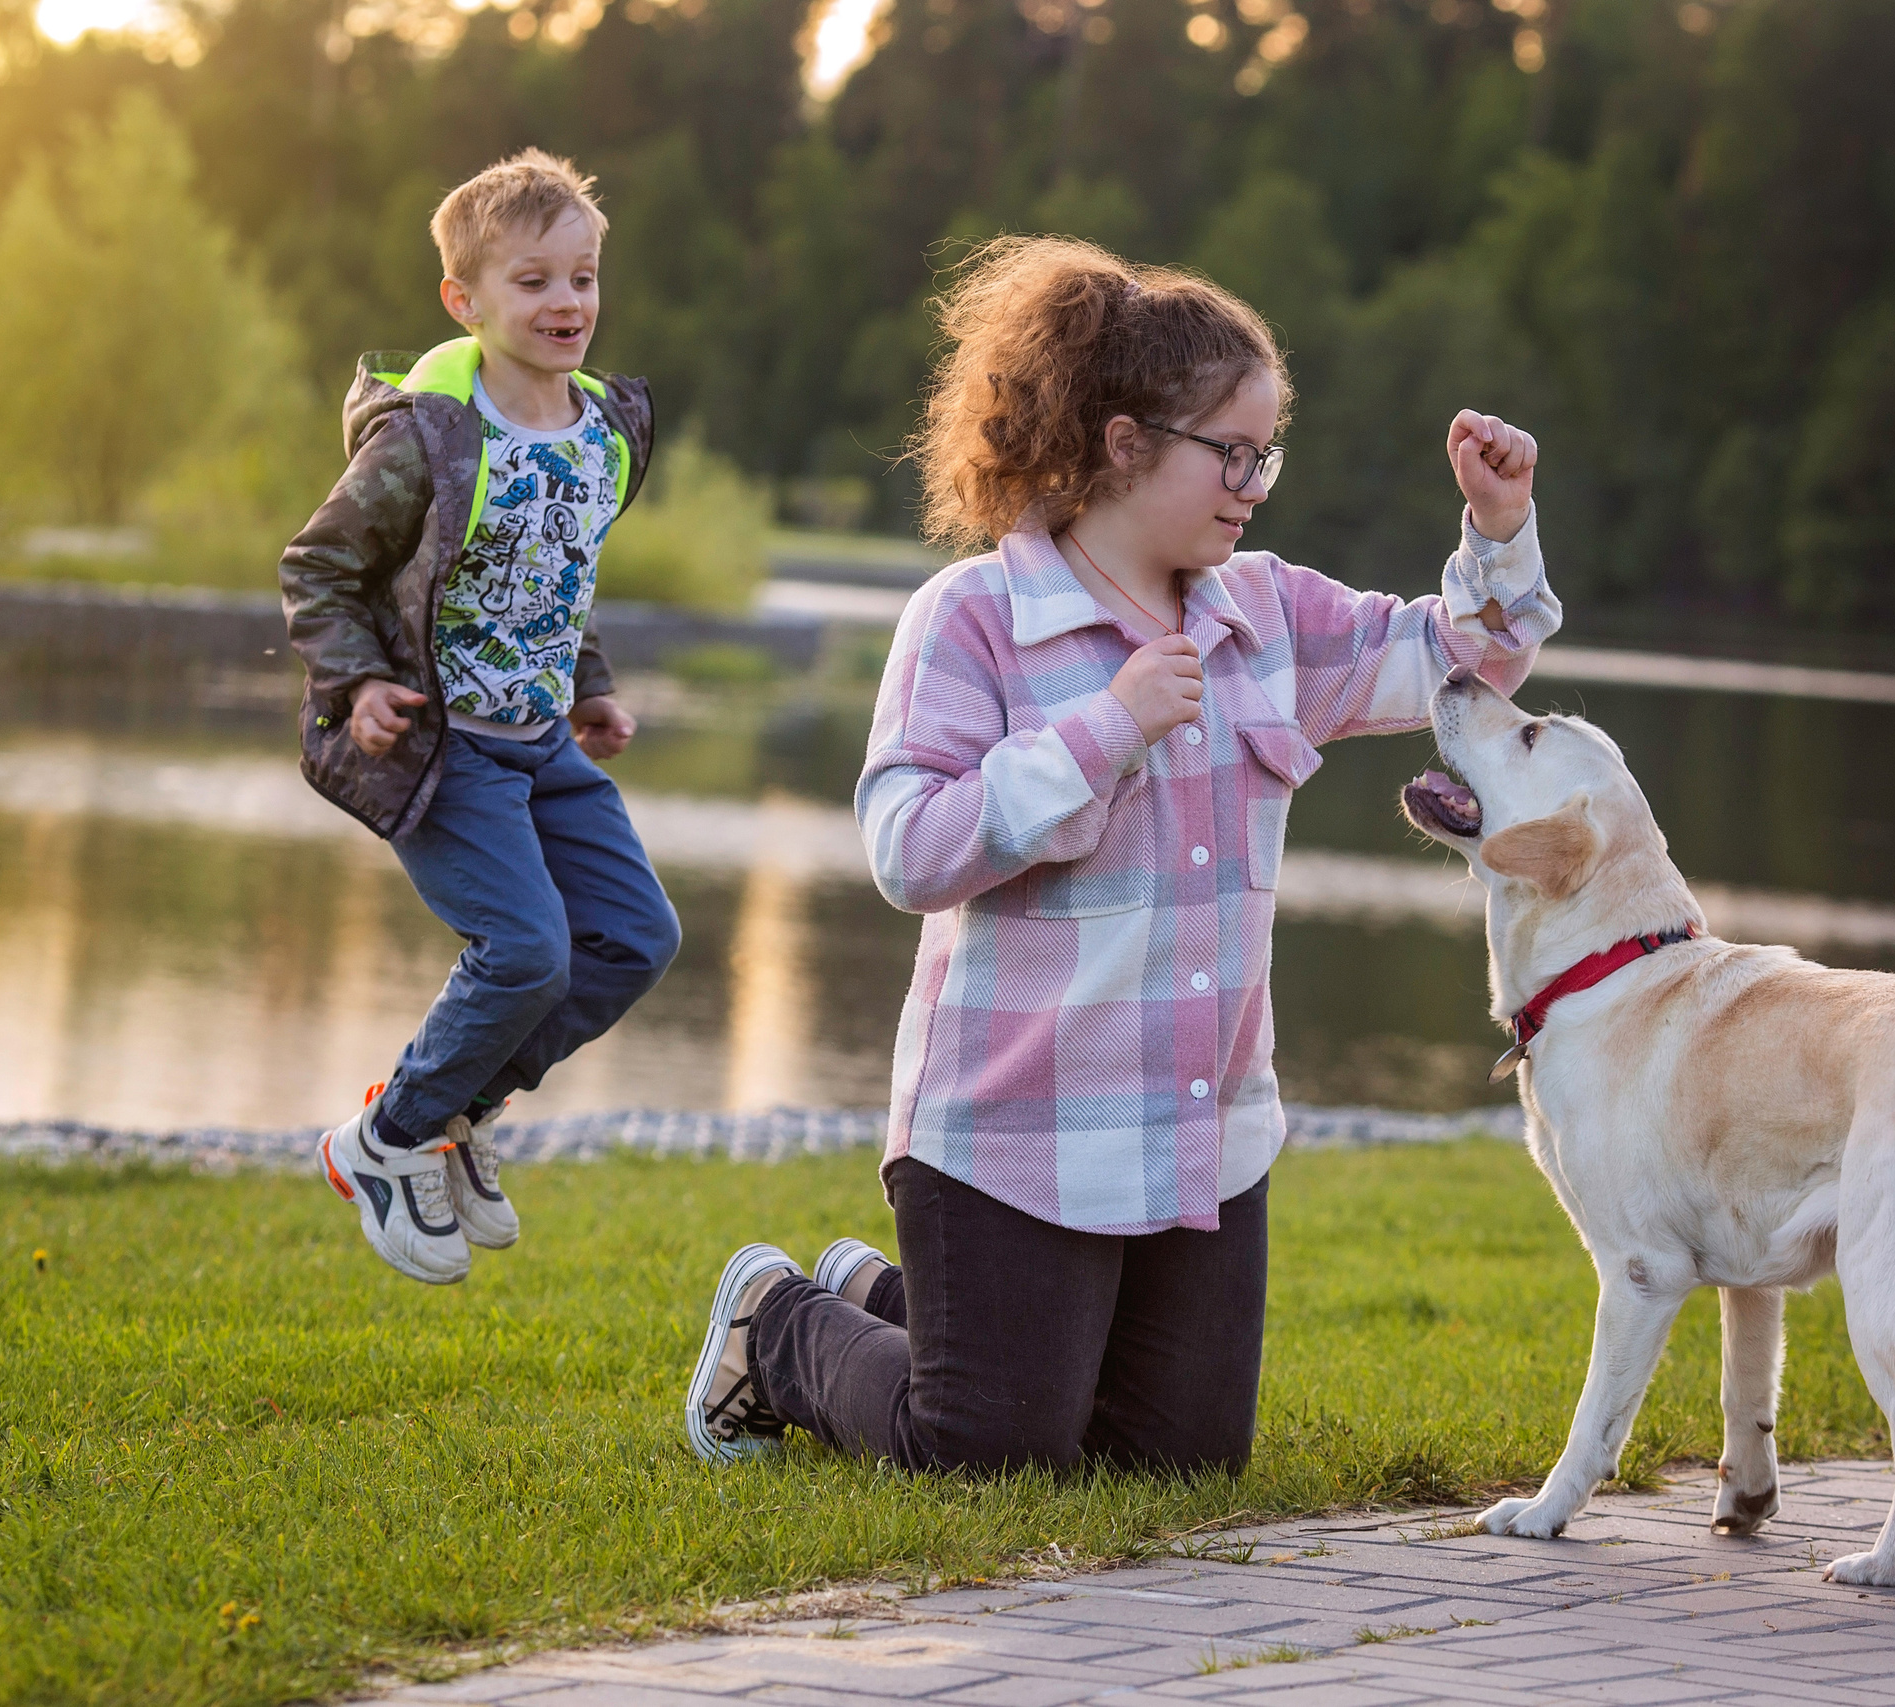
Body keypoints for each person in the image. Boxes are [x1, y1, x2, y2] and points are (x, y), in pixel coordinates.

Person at [684, 237, 1558, 1469]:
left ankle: (895, 1305)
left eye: (1268, 454)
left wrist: (1498, 525)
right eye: (1231, 453)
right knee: (987, 1451)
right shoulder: (972, 620)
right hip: (1006, 1137)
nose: (1254, 482)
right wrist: (1102, 731)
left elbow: (1457, 663)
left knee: (1178, 1464)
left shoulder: (1268, 614)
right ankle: (778, 1325)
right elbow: (906, 850)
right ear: (1124, 442)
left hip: (1199, 1133)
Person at [279, 149, 679, 1286]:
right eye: (535, 281)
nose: (568, 304)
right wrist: (357, 685)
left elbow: (555, 573)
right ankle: (386, 1139)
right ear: (465, 300)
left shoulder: (605, 432)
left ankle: (456, 1114)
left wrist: (589, 682)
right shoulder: (429, 440)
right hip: (449, 751)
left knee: (635, 940)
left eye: (584, 278)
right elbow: (317, 566)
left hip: (545, 745)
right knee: (527, 951)